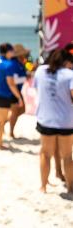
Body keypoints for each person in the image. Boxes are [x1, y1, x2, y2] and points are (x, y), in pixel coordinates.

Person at [33, 48, 73, 194]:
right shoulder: (70, 75)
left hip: (46, 120)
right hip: (66, 122)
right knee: (68, 156)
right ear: (67, 62)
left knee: (45, 154)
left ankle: (43, 186)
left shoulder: (40, 71)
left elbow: (38, 90)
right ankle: (70, 188)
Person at [0, 43, 24, 149]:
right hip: (2, 95)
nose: (13, 53)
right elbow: (11, 84)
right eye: (12, 51)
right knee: (1, 121)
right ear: (8, 52)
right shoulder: (8, 64)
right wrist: (19, 97)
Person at [8, 44, 30, 138]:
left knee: (22, 110)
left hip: (17, 90)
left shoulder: (20, 63)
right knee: (15, 112)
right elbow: (13, 81)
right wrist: (25, 78)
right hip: (13, 91)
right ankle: (11, 132)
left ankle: (6, 121)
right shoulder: (14, 64)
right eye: (24, 54)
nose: (26, 56)